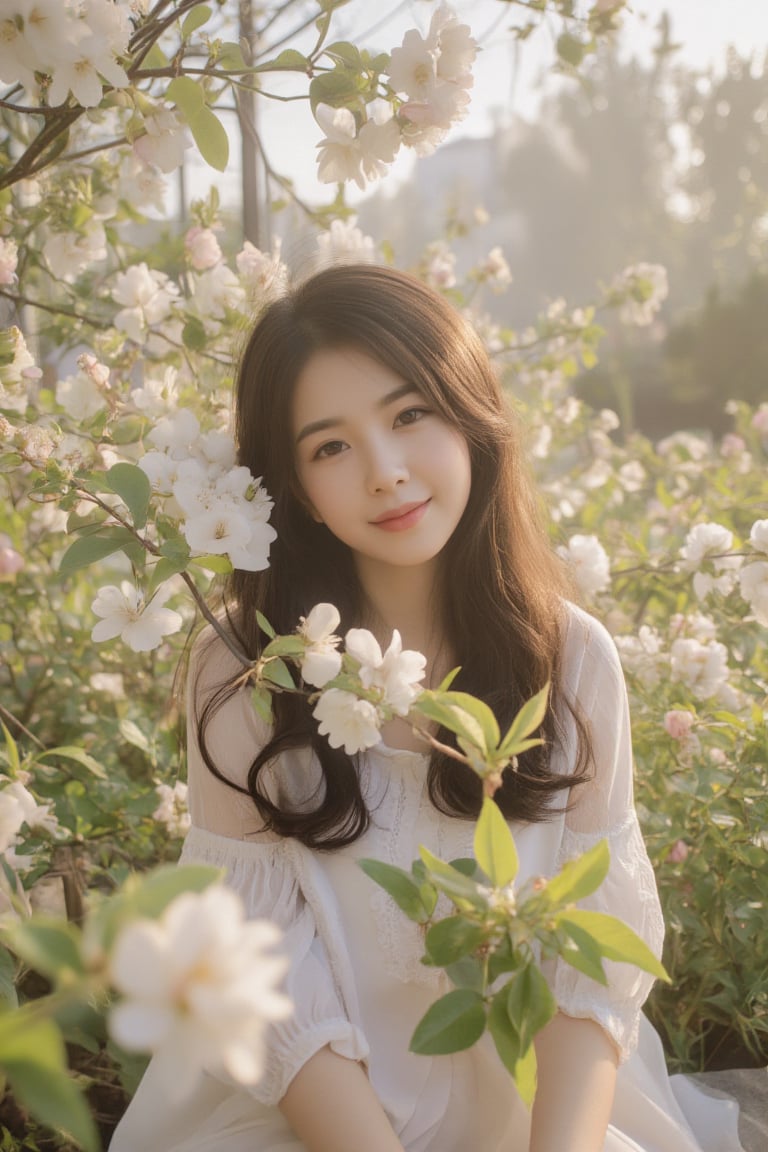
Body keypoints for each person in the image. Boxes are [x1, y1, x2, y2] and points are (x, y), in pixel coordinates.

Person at [110, 264, 742, 1152]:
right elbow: (268, 989)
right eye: (331, 446)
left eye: (411, 416)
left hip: (536, 1112)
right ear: (294, 489)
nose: (386, 472)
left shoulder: (571, 658)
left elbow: (588, 965)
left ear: (472, 417)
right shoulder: (246, 672)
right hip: (309, 1118)